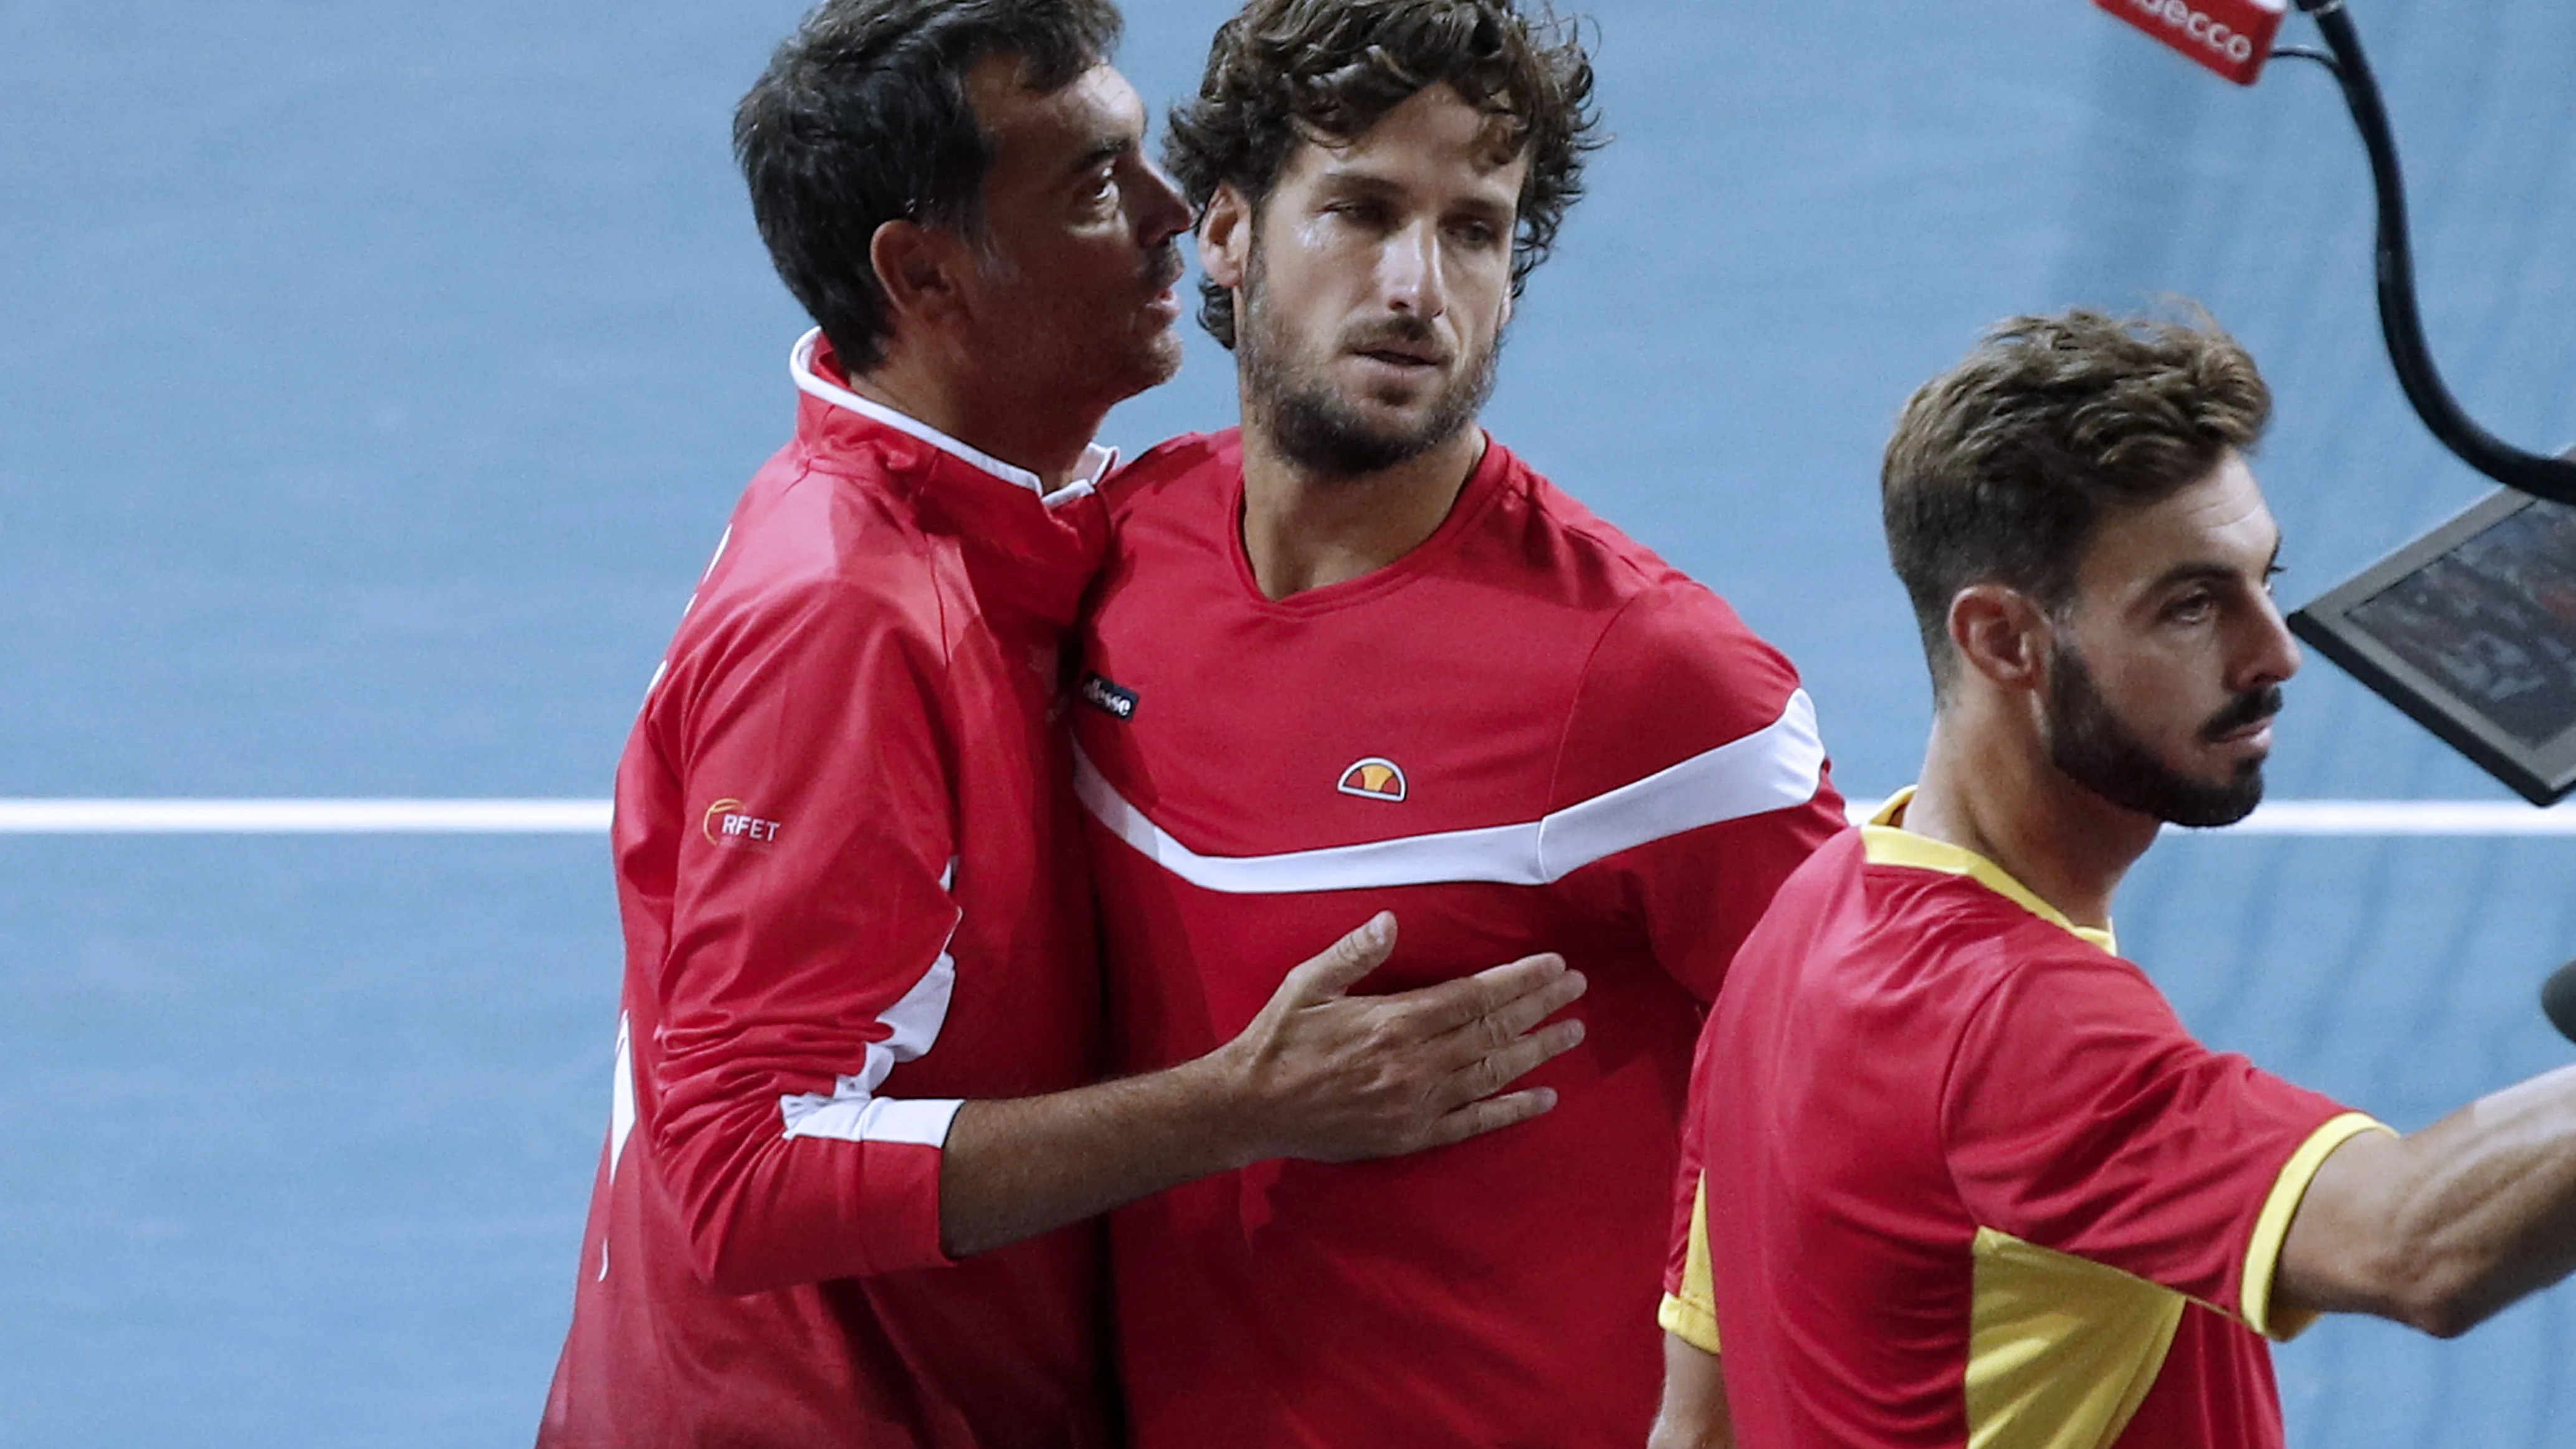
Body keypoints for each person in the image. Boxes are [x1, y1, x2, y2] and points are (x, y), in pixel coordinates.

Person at [535, 3, 1593, 1445]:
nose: (1173, 216)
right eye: (1097, 185)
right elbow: (740, 1167)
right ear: (925, 274)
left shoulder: (1026, 524)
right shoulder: (842, 623)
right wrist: (1237, 1104)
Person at [1069, 3, 1849, 1445]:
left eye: (1476, 231)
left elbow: (1866, 1096)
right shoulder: (1114, 555)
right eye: (1362, 212)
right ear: (1228, 236)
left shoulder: (1659, 682)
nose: (1419, 286)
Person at [1658, 307, 2576, 1448]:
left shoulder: (1805, 917)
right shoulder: (2016, 1030)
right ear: (2004, 640)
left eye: (2261, 578)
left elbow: (1695, 1428)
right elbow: (2415, 1246)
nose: (2274, 652)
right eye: (2192, 606)